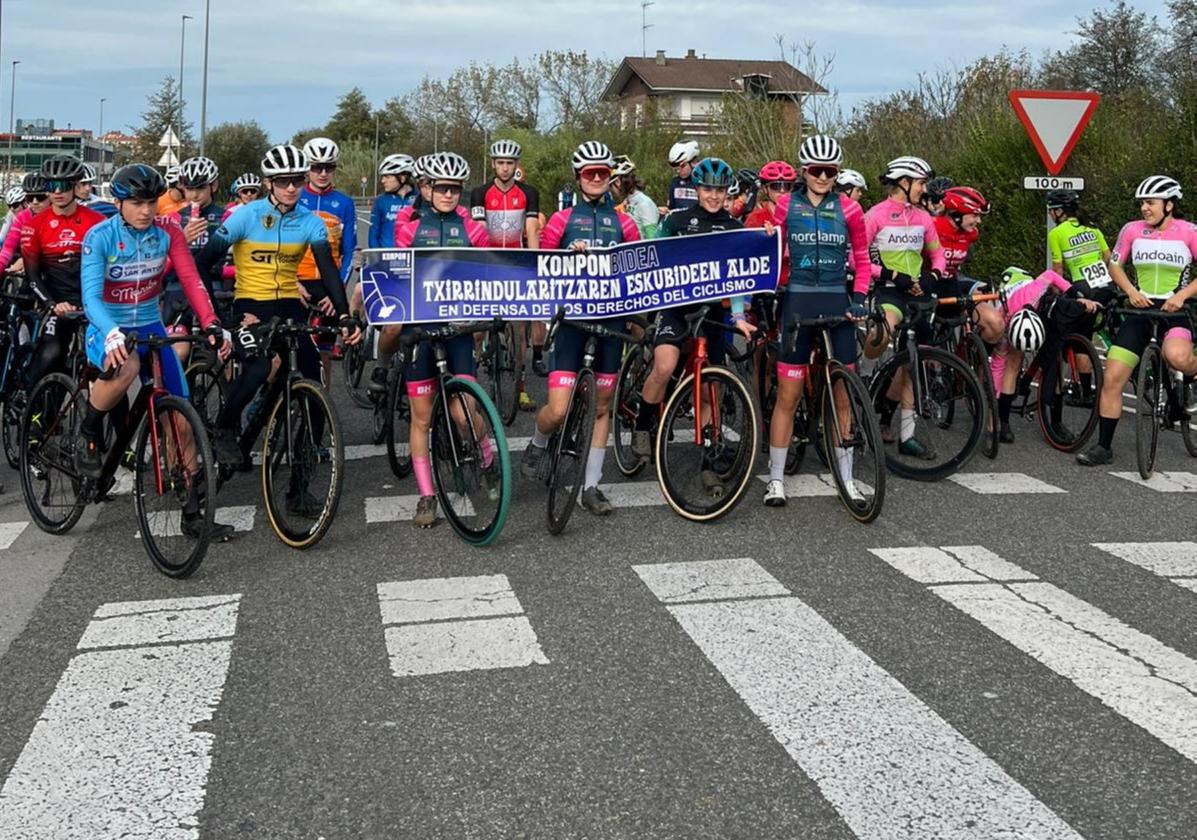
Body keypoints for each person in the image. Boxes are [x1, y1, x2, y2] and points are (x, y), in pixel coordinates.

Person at [195, 144, 360, 516]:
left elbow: (329, 271)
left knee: (314, 392)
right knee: (256, 366)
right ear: (269, 182)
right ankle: (223, 429)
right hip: (250, 306)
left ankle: (299, 489)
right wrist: (221, 315)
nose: (291, 188)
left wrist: (346, 314)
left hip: (289, 306)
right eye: (284, 181)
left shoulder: (310, 221)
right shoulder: (245, 216)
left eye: (297, 180)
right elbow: (202, 264)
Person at [76, 164, 232, 538]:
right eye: (136, 203)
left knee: (180, 421)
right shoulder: (99, 237)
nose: (146, 211)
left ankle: (193, 514)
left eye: (150, 202)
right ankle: (90, 428)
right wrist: (111, 332)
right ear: (119, 202)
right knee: (127, 368)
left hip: (149, 323)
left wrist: (210, 322)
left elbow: (191, 279)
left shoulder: (168, 232)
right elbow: (90, 298)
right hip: (107, 323)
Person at [521, 141, 640, 516]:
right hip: (572, 321)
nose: (597, 178)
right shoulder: (561, 220)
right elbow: (541, 265)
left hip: (610, 322)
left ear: (611, 177)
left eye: (603, 172)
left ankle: (591, 485)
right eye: (590, 173)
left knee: (602, 407)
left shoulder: (625, 222)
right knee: (557, 410)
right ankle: (540, 441)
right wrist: (562, 261)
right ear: (578, 178)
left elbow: (641, 270)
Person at [759, 136, 872, 506]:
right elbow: (770, 250)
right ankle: (775, 479)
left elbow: (862, 257)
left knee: (843, 393)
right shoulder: (787, 205)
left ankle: (848, 477)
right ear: (804, 172)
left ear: (837, 174)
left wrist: (859, 297)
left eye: (830, 171)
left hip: (839, 302)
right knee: (788, 395)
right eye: (816, 170)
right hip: (798, 303)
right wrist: (768, 277)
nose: (823, 177)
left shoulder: (850, 210)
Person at [632, 158, 753, 474]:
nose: (713, 196)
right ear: (696, 189)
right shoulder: (677, 220)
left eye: (720, 190)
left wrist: (738, 315)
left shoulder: (734, 226)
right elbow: (651, 256)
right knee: (665, 365)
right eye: (707, 189)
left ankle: (711, 452)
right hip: (676, 306)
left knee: (712, 384)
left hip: (711, 310)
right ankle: (643, 424)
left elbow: (738, 276)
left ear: (727, 192)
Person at [392, 151, 491, 528]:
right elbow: (392, 272)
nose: (449, 195)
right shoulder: (409, 226)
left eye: (456, 189)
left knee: (464, 409)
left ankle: (485, 452)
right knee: (421, 418)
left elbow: (488, 273)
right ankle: (426, 496)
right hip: (419, 328)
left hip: (457, 328)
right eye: (442, 188)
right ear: (425, 187)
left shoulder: (474, 228)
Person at [1078, 176, 1197, 465]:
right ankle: (1103, 446)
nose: (1144, 208)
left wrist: (1182, 295)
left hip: (1175, 309)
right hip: (1140, 308)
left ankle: (1191, 379)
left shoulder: (1189, 231)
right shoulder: (1131, 230)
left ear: (1169, 205)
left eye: (1150, 202)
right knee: (1113, 377)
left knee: (1177, 356)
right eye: (1142, 202)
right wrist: (1130, 291)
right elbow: (1115, 264)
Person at [861, 155, 945, 457]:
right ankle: (865, 373)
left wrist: (932, 276)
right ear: (903, 183)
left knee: (913, 362)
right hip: (889, 291)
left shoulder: (923, 218)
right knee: (885, 332)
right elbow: (855, 259)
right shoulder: (876, 215)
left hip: (917, 291)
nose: (924, 189)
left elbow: (939, 256)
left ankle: (907, 435)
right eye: (921, 183)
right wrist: (889, 275)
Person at [467, 139, 542, 410]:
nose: (505, 168)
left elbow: (532, 230)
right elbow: (477, 233)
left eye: (510, 163)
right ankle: (470, 384)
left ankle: (520, 388)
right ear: (493, 164)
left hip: (516, 261)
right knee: (477, 330)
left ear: (516, 165)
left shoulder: (528, 192)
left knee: (519, 329)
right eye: (501, 163)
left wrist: (535, 265)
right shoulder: (479, 192)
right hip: (488, 262)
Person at [20, 155, 106, 388]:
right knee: (51, 353)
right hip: (57, 302)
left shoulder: (98, 221)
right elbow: (33, 275)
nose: (57, 191)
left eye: (64, 185)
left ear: (76, 186)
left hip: (92, 302)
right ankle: (34, 413)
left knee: (109, 370)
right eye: (51, 185)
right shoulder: (35, 225)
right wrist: (52, 304)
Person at [298, 137, 357, 376]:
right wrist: (292, 283)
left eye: (329, 167)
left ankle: (321, 410)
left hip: (328, 285)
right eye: (316, 167)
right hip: (297, 282)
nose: (322, 173)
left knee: (323, 356)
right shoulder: (294, 196)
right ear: (307, 169)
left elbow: (349, 251)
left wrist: (337, 293)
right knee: (286, 351)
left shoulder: (344, 203)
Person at [163, 156, 226, 365]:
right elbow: (159, 264)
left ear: (214, 185)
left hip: (216, 290)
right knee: (176, 353)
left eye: (200, 188)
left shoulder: (227, 217)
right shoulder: (172, 219)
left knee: (224, 356)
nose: (195, 194)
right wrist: (182, 239)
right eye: (189, 188)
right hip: (177, 292)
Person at [932, 186, 1005, 344]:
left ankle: (973, 356)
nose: (978, 221)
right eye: (974, 215)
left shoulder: (971, 234)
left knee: (995, 324)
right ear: (957, 214)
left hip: (952, 283)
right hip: (928, 285)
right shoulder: (932, 228)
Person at [0, 174, 50, 274]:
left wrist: (27, 260)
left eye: (40, 197)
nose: (35, 202)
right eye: (30, 198)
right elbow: (8, 248)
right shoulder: (22, 217)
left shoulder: (60, 214)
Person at [368, 154, 417, 249]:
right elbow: (373, 236)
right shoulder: (380, 201)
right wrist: (378, 260)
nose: (382, 181)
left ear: (402, 178)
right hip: (386, 259)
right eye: (382, 177)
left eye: (387, 176)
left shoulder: (420, 198)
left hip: (413, 258)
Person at [610, 155, 658, 238]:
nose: (611, 190)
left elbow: (652, 238)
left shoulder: (644, 203)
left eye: (611, 186)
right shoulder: (628, 201)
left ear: (617, 182)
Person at [663, 140, 700, 212]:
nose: (678, 170)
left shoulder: (704, 183)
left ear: (693, 162)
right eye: (675, 167)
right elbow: (671, 209)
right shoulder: (675, 183)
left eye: (682, 166)